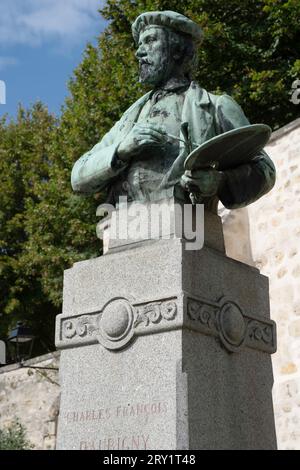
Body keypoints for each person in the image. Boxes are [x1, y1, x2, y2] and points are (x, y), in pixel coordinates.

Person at [71, 10, 275, 209]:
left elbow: (265, 170)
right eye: (139, 44)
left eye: (150, 41)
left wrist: (220, 181)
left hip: (192, 229)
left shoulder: (215, 106)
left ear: (177, 50)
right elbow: (78, 177)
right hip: (127, 231)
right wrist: (122, 151)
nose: (139, 51)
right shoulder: (130, 118)